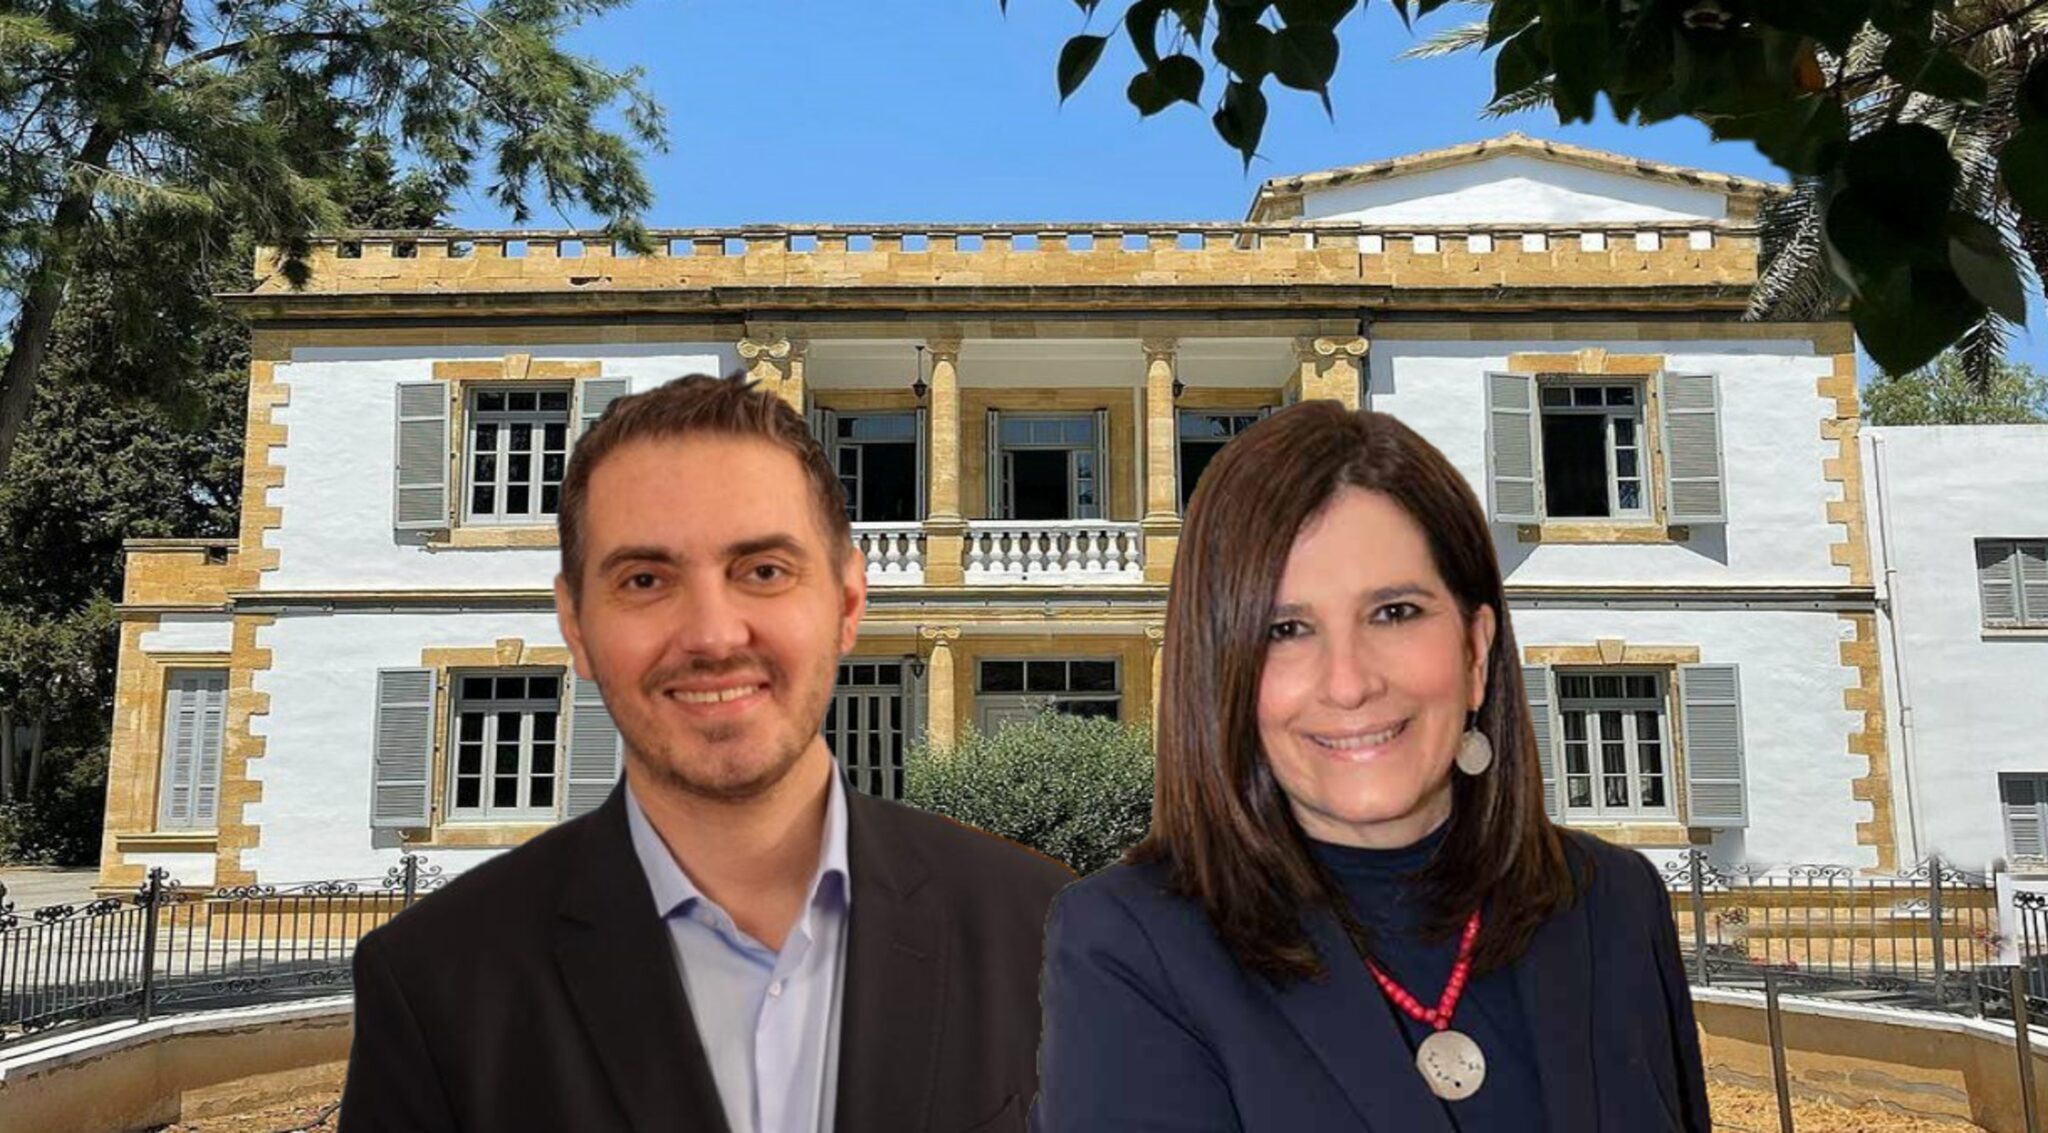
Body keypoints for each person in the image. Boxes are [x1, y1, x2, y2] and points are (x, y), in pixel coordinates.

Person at [341, 374, 1072, 1133]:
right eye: (645, 579)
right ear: (576, 624)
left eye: (764, 571)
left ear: (849, 603)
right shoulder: (433, 979)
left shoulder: (1046, 933)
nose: (714, 636)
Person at [1032, 401, 1710, 1132]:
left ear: (1476, 651)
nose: (1349, 683)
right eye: (1285, 629)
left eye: (1395, 613)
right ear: (1222, 674)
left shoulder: (1613, 902)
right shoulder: (1131, 946)